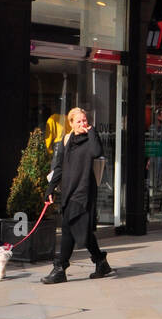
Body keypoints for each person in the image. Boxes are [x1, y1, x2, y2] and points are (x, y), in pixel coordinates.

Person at [41, 107, 114, 283]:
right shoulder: (67, 140)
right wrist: (50, 189)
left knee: (67, 228)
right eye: (79, 121)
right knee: (82, 231)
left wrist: (92, 132)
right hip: (68, 191)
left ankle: (60, 268)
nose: (83, 124)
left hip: (83, 191)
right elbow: (59, 167)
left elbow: (97, 153)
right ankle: (101, 262)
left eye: (85, 120)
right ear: (71, 123)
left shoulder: (90, 139)